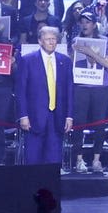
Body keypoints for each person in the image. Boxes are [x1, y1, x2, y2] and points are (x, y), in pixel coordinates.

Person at [13, 25, 69, 170]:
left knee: (54, 161)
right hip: (34, 118)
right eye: (48, 39)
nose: (51, 42)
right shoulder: (27, 60)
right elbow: (21, 90)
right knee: (33, 160)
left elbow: (69, 90)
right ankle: (32, 190)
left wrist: (69, 116)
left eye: (54, 39)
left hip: (57, 118)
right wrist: (23, 115)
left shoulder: (65, 61)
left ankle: (51, 190)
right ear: (40, 41)